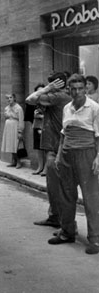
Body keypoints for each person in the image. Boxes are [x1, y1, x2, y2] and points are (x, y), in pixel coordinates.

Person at [48, 74, 99, 255]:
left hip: (87, 154)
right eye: (73, 89)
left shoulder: (94, 108)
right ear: (69, 90)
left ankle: (95, 239)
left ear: (86, 89)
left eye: (80, 88)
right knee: (66, 195)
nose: (77, 92)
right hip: (67, 155)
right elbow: (64, 133)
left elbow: (98, 136)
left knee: (91, 198)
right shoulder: (67, 108)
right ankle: (67, 232)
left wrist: (97, 158)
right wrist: (60, 156)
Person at [26, 72, 71, 228]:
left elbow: (29, 99)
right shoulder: (63, 97)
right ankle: (56, 217)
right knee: (56, 186)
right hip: (57, 146)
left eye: (51, 84)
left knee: (55, 187)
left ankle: (58, 219)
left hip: (56, 147)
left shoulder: (56, 97)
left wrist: (46, 89)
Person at [1, 93, 24, 169]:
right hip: (8, 127)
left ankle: (19, 162)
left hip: (15, 126)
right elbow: (5, 117)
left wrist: (20, 131)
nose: (9, 99)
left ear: (14, 98)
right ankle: (13, 161)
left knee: (16, 144)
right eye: (7, 98)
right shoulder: (6, 108)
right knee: (10, 144)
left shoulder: (18, 108)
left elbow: (21, 120)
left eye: (11, 97)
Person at [30, 84, 46, 175]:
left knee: (46, 148)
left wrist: (39, 116)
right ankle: (40, 167)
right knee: (38, 148)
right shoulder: (34, 103)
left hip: (44, 127)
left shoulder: (47, 102)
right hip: (36, 126)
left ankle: (46, 169)